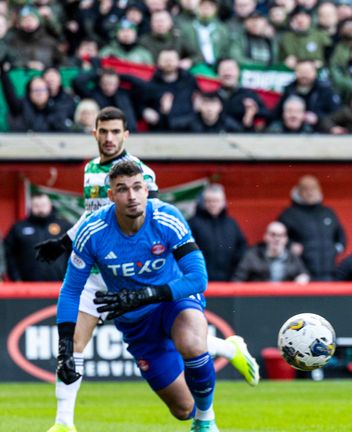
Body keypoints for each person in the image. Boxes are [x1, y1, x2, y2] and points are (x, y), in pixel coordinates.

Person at [36, 108, 257, 432]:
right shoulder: (91, 172)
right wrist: (65, 242)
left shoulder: (148, 186)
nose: (109, 138)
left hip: (152, 279)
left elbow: (143, 223)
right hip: (103, 272)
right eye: (103, 131)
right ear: (94, 133)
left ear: (126, 134)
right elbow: (91, 218)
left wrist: (145, 290)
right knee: (74, 347)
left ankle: (208, 415)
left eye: (115, 132)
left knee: (192, 343)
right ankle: (63, 424)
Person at [55, 161, 219, 432]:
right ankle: (220, 354)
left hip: (171, 301)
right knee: (182, 409)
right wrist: (64, 348)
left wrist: (147, 295)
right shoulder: (93, 232)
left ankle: (206, 421)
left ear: (147, 190)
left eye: (137, 187)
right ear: (110, 196)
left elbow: (198, 279)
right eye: (122, 189)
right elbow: (71, 290)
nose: (131, 196)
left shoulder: (167, 217)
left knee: (191, 342)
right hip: (136, 323)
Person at [278, 175, 346, 281]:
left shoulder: (328, 212)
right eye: (306, 189)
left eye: (313, 188)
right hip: (302, 276)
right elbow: (277, 237)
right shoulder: (289, 214)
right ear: (298, 191)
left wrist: (335, 249)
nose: (310, 192)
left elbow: (341, 236)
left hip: (329, 274)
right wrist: (290, 245)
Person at [4, 193, 72, 281]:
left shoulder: (64, 226)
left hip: (60, 285)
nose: (40, 208)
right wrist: (16, 279)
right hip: (27, 287)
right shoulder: (18, 227)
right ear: (30, 207)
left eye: (43, 205)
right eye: (36, 205)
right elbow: (9, 255)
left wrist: (70, 278)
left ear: (50, 205)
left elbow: (75, 252)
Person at [188, 184, 248, 281]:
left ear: (223, 202)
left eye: (216, 201)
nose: (213, 204)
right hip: (201, 281)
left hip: (229, 281)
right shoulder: (192, 223)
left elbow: (242, 247)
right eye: (209, 201)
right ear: (203, 202)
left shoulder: (231, 223)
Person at [231, 221, 310, 283]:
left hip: (286, 301)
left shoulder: (292, 257)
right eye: (273, 234)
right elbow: (238, 279)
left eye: (281, 235)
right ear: (265, 237)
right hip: (258, 301)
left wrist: (303, 278)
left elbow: (304, 274)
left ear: (286, 239)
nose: (277, 238)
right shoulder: (252, 255)